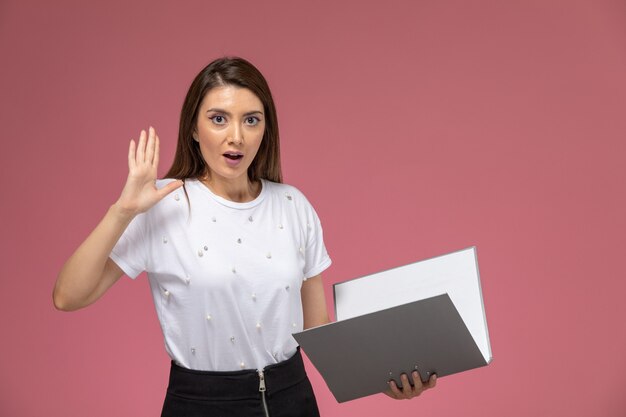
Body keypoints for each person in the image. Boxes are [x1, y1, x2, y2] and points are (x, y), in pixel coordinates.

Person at [53, 56, 436, 416]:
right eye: (219, 119)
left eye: (251, 120)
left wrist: (381, 377)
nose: (235, 136)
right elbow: (68, 296)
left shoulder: (293, 205)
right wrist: (122, 212)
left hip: (293, 399)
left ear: (265, 129)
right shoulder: (164, 204)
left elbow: (316, 329)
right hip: (201, 403)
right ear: (193, 127)